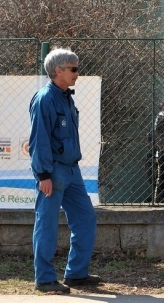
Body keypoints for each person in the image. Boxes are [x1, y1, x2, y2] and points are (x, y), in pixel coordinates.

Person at [29, 48, 100, 293]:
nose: (77, 73)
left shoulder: (66, 97)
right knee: (47, 224)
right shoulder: (45, 99)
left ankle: (76, 274)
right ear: (58, 70)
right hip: (53, 172)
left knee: (85, 218)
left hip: (72, 171)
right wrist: (43, 175)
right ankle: (45, 279)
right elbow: (38, 140)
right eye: (73, 69)